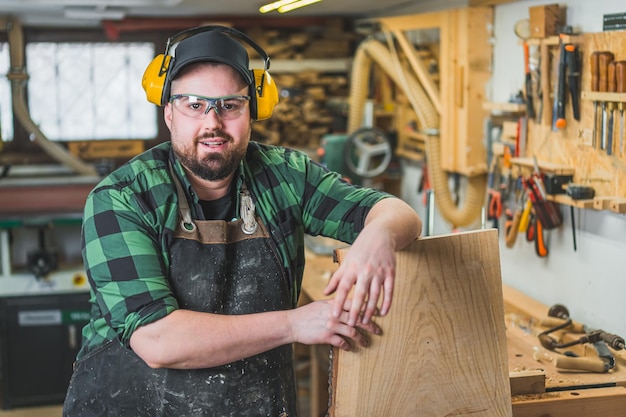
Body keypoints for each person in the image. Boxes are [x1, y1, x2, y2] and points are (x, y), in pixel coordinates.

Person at [63, 25, 421, 417]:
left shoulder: (287, 175)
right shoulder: (122, 198)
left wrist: (379, 235)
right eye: (194, 105)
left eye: (230, 105)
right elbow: (159, 340)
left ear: (253, 111)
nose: (212, 123)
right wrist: (294, 325)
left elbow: (397, 212)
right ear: (168, 113)